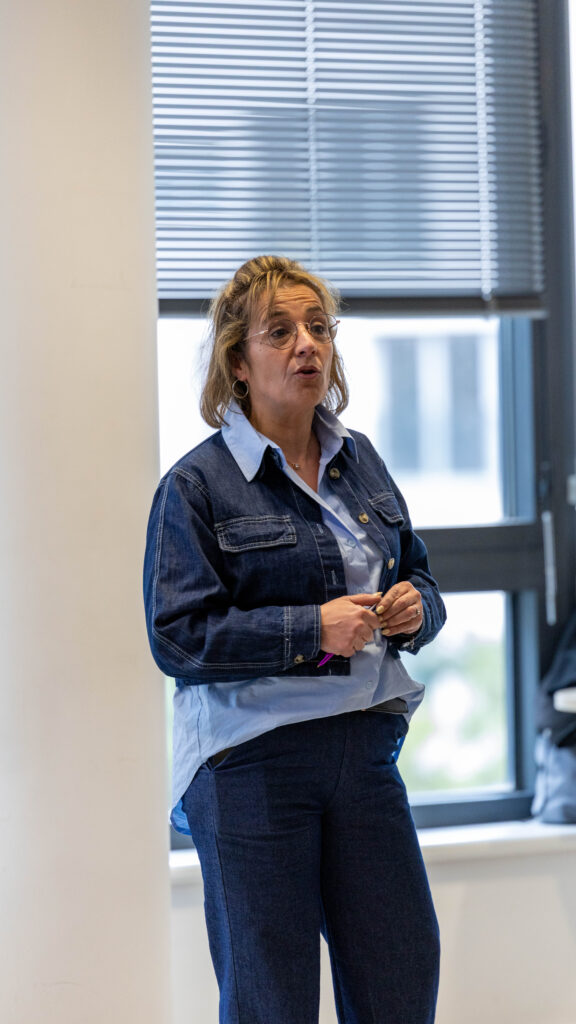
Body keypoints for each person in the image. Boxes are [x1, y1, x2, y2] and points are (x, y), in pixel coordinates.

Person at [143, 254, 446, 1024]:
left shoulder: (361, 460)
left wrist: (416, 610)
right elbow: (179, 639)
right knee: (270, 1001)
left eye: (318, 327)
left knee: (401, 980)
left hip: (365, 751)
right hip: (251, 764)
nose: (307, 344)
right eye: (279, 331)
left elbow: (421, 578)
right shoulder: (196, 486)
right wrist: (313, 629)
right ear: (237, 363)